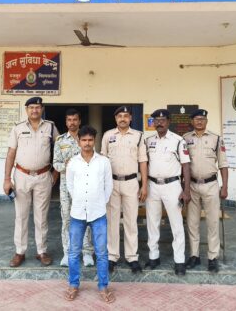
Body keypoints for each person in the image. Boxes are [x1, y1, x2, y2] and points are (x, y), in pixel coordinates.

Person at [3, 97, 59, 268]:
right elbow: (11, 154)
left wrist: (55, 173)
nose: (35, 110)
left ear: (42, 109)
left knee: (41, 216)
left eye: (38, 107)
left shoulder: (50, 127)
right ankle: (20, 252)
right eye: (31, 107)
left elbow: (60, 150)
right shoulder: (18, 128)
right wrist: (7, 179)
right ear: (26, 109)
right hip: (22, 176)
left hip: (43, 176)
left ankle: (42, 251)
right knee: (21, 215)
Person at [64, 125, 114, 304]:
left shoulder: (104, 162)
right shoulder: (72, 162)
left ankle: (103, 286)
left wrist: (100, 202)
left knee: (101, 253)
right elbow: (70, 185)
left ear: (95, 141)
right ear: (79, 141)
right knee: (73, 252)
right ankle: (73, 284)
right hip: (77, 212)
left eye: (90, 140)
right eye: (84, 140)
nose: (87, 143)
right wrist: (79, 199)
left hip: (98, 212)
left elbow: (108, 186)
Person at [101, 106, 148, 274]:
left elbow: (143, 161)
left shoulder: (138, 136)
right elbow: (103, 161)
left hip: (131, 182)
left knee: (131, 221)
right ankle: (112, 256)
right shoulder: (108, 135)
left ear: (131, 118)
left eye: (126, 116)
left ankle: (132, 257)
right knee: (112, 221)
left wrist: (144, 185)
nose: (123, 118)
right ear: (115, 119)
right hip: (112, 183)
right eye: (120, 116)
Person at [144, 109, 191, 276]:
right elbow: (144, 164)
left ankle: (179, 260)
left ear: (169, 121)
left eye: (162, 120)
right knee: (152, 223)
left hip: (172, 186)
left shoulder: (178, 141)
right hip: (152, 185)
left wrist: (186, 190)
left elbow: (186, 166)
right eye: (156, 120)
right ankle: (153, 257)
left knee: (176, 225)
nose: (159, 123)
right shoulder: (148, 141)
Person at [183, 109, 229, 273]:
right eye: (196, 119)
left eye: (202, 119)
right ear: (192, 121)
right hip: (192, 186)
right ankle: (194, 256)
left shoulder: (216, 139)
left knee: (212, 222)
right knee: (192, 223)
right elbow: (183, 164)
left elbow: (223, 164)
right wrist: (184, 188)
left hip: (211, 185)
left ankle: (212, 257)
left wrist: (225, 186)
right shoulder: (185, 139)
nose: (199, 121)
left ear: (206, 121)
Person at [53, 108, 94, 268]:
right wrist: (67, 165)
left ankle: (87, 252)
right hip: (66, 188)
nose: (72, 123)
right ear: (66, 122)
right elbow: (56, 163)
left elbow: (93, 160)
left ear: (79, 121)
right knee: (67, 219)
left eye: (75, 119)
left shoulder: (86, 138)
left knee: (86, 218)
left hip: (85, 186)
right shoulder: (60, 140)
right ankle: (68, 252)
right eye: (69, 120)